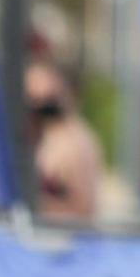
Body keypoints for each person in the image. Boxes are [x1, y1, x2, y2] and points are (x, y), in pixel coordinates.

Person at [25, 60, 104, 224]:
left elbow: (82, 206)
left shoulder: (72, 140)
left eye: (45, 98)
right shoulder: (41, 136)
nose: (37, 102)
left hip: (64, 238)